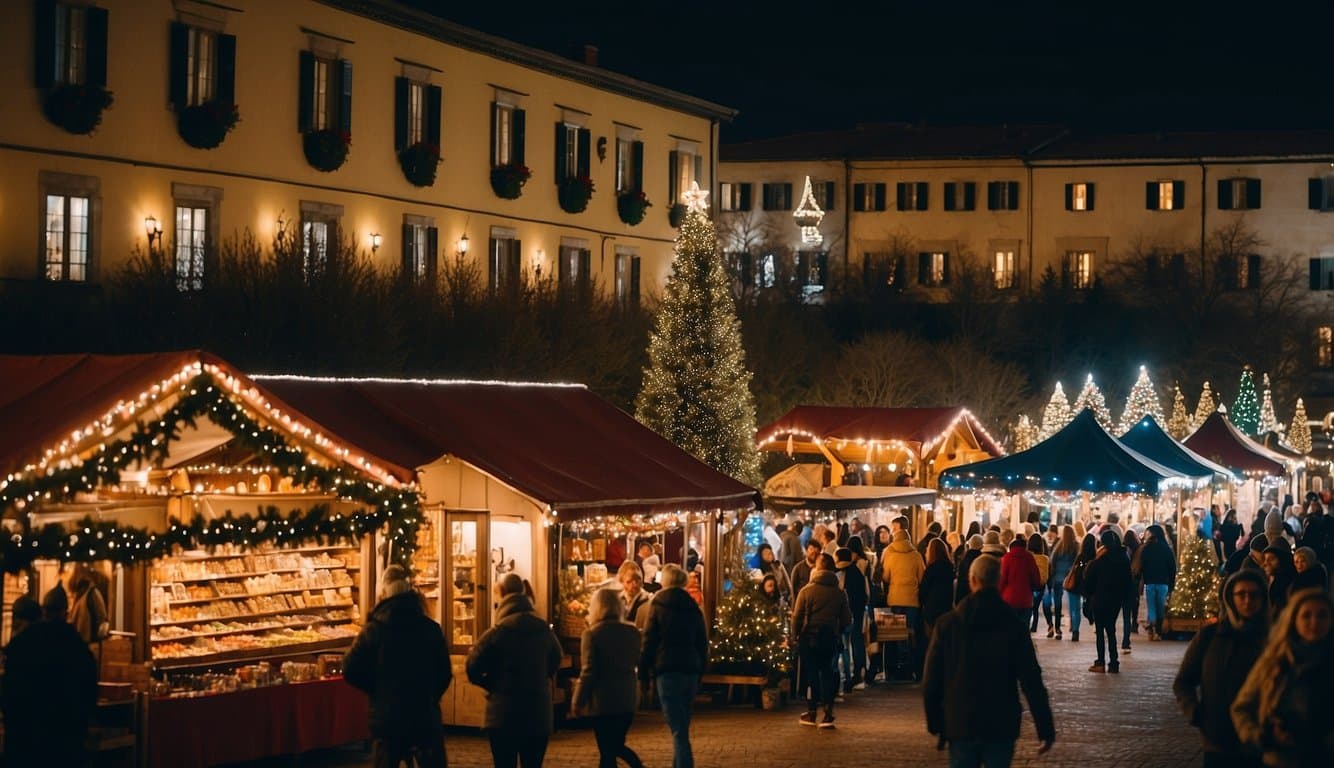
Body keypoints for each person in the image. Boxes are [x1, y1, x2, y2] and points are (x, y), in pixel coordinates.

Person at [923, 554, 1056, 767]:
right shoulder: (1014, 626)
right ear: (998, 580)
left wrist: (937, 724)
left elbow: (931, 680)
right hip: (1001, 722)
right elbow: (1031, 680)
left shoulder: (948, 625)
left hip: (961, 721)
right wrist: (1045, 728)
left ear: (972, 579)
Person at [344, 565, 451, 768]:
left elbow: (350, 668)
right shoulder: (430, 629)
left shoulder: (375, 629)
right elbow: (444, 673)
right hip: (423, 716)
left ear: (384, 592)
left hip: (388, 719)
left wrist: (377, 689)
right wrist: (428, 694)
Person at [1173, 570, 1270, 768]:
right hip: (1218, 738)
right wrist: (1196, 714)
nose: (1247, 600)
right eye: (1241, 594)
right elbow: (1184, 681)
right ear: (1230, 598)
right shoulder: (1211, 636)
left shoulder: (1274, 638)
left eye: (1253, 594)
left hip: (1262, 740)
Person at [466, 573, 563, 768]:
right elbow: (556, 658)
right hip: (537, 714)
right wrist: (542, 676)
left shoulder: (498, 632)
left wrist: (490, 684)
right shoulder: (543, 630)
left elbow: (472, 665)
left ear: (501, 594)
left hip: (503, 715)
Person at [1231, 588, 1334, 767]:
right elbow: (1241, 707)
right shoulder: (1274, 661)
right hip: (1279, 760)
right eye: (1306, 616)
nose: (1314, 622)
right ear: (1294, 620)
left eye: (1322, 615)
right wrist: (1262, 736)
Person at [2, 587, 99, 767]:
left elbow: (10, 693)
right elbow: (89, 689)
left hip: (26, 740)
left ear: (43, 610)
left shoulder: (24, 642)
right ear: (65, 612)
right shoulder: (75, 643)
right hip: (66, 740)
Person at [640, 564, 708, 768]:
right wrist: (701, 669)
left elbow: (649, 639)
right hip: (690, 670)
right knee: (682, 724)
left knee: (678, 729)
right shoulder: (692, 606)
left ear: (665, 580)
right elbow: (701, 641)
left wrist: (644, 670)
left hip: (667, 670)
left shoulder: (658, 604)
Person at [574, 588, 645, 768]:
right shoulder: (632, 632)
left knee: (608, 748)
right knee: (612, 748)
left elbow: (588, 670)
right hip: (627, 698)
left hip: (603, 701)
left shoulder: (592, 634)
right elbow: (639, 661)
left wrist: (578, 699)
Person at [791, 553, 851, 729]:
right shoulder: (840, 593)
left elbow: (797, 617)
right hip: (830, 638)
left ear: (817, 569)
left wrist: (795, 635)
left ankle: (811, 712)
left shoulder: (806, 591)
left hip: (809, 638)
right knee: (828, 673)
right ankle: (828, 713)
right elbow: (847, 620)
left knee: (811, 675)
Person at [1082, 529, 1132, 674]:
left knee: (1100, 631)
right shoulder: (1124, 558)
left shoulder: (1101, 559)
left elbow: (1089, 580)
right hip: (1116, 600)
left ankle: (1100, 662)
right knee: (1111, 630)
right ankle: (1114, 662)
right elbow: (1128, 581)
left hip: (1100, 599)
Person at [882, 526, 926, 678]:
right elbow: (922, 577)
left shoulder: (890, 555)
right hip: (912, 599)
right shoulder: (916, 555)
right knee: (910, 631)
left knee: (895, 633)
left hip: (895, 598)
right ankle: (910, 664)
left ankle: (898, 665)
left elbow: (886, 577)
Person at [838, 543, 870, 691]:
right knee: (857, 641)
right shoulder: (857, 572)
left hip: (844, 614)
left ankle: (848, 677)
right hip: (857, 612)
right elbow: (866, 595)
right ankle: (859, 670)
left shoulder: (841, 573)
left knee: (845, 645)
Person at [999, 536, 1042, 630]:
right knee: (1024, 629)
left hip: (1009, 599)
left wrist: (999, 594)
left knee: (1009, 629)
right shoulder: (1029, 558)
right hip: (1026, 600)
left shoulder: (1006, 558)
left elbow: (1002, 579)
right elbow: (1036, 579)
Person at [919, 537, 955, 643]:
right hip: (946, 608)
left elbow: (923, 590)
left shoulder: (931, 569)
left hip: (932, 608)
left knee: (931, 640)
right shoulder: (950, 568)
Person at [1046, 525, 1078, 640]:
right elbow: (1077, 562)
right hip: (1069, 578)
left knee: (1057, 604)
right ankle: (1074, 629)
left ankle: (1058, 628)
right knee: (1073, 605)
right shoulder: (1075, 546)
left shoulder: (1058, 546)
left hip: (1058, 578)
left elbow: (1052, 561)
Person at [67, 565, 109, 645]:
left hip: (85, 641)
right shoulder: (87, 593)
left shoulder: (89, 593)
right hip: (85, 641)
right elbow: (102, 619)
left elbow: (102, 621)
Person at [1261, 544, 1297, 620]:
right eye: (1265, 559)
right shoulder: (1272, 581)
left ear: (1283, 560)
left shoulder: (1289, 584)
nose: (1265, 564)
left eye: (1271, 559)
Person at [1121, 527, 1143, 649]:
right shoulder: (1139, 549)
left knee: (1125, 614)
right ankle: (1127, 639)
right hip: (1134, 583)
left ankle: (1125, 640)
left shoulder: (1123, 550)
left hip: (1122, 584)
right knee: (1130, 610)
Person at [618, 561, 653, 631]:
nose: (634, 585)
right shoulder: (618, 599)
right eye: (629, 581)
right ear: (622, 582)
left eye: (637, 580)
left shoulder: (648, 600)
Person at [954, 534, 984, 605]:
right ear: (982, 545)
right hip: (977, 599)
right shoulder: (982, 560)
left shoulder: (964, 559)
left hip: (963, 598)